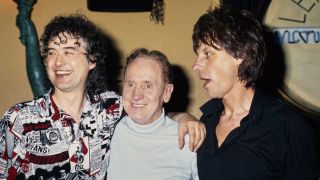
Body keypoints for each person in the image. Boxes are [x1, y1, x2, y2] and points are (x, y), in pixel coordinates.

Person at [0, 15, 204, 179]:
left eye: (69, 52)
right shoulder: (18, 119)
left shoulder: (110, 109)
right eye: (52, 53)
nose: (58, 62)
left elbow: (150, 110)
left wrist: (186, 119)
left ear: (92, 60)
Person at [192, 6, 319, 180]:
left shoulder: (288, 127)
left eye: (207, 54)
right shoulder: (205, 121)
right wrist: (180, 117)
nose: (195, 66)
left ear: (240, 54)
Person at [107, 48, 199, 180]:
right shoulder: (109, 129)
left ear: (167, 93)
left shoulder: (188, 140)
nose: (136, 95)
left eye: (147, 85)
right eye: (131, 84)